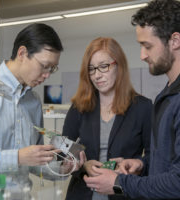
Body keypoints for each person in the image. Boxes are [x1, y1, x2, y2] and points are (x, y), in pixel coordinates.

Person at [84, 0, 180, 199]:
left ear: (175, 41)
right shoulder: (166, 95)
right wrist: (143, 164)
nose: (142, 55)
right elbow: (166, 160)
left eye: (147, 46)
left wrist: (120, 183)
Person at [0, 23, 85, 198]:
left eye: (52, 69)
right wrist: (18, 157)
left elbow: (34, 162)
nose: (47, 75)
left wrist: (60, 169)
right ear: (22, 53)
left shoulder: (33, 102)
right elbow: (21, 157)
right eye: (44, 66)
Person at [62, 37, 152, 200]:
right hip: (82, 194)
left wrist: (137, 163)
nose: (97, 75)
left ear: (119, 65)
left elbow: (154, 157)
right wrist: (83, 165)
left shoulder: (142, 107)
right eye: (91, 69)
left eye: (104, 67)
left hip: (124, 193)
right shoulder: (79, 107)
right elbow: (65, 150)